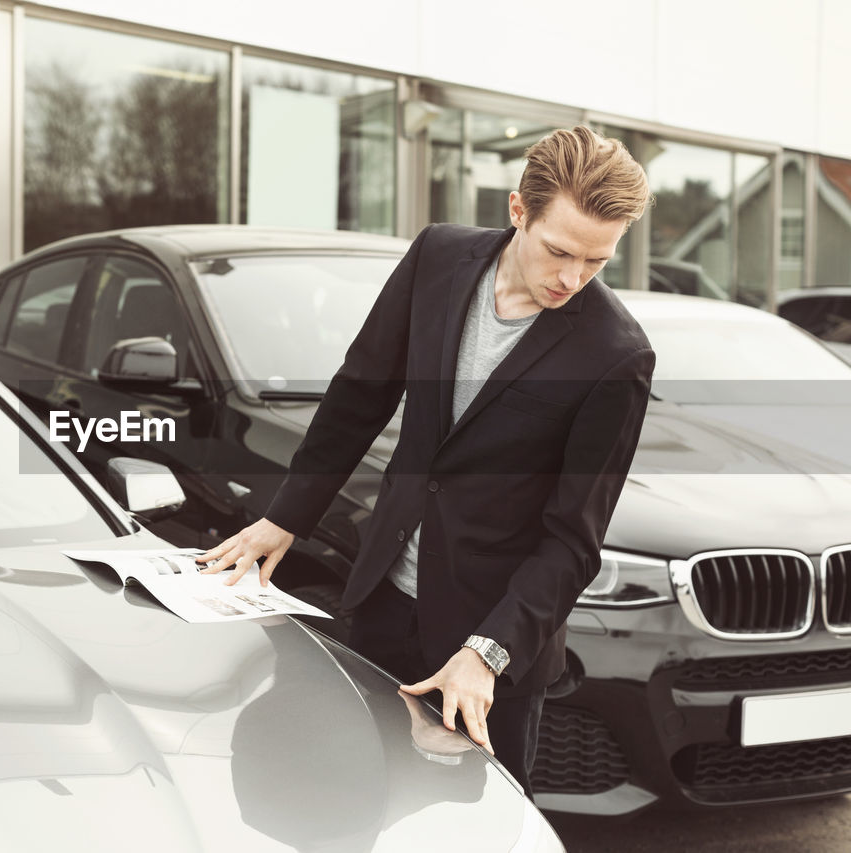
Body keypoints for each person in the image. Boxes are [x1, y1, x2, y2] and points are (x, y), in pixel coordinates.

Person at [197, 125, 655, 795]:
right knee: (347, 803)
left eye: (596, 263)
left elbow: (572, 541)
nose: (571, 278)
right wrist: (285, 517)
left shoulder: (616, 355)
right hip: (381, 597)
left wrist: (487, 653)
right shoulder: (439, 256)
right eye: (559, 252)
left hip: (486, 651)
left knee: (468, 832)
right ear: (517, 210)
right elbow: (361, 393)